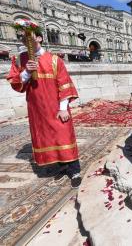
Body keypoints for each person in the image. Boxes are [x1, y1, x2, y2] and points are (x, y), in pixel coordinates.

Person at [7, 30, 82, 188]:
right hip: (37, 110)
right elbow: (17, 84)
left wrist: (63, 108)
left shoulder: (54, 60)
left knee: (63, 136)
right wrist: (27, 71)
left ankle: (75, 170)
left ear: (39, 38)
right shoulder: (23, 60)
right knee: (47, 138)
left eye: (29, 35)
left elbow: (65, 84)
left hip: (55, 107)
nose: (25, 39)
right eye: (21, 37)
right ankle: (61, 166)